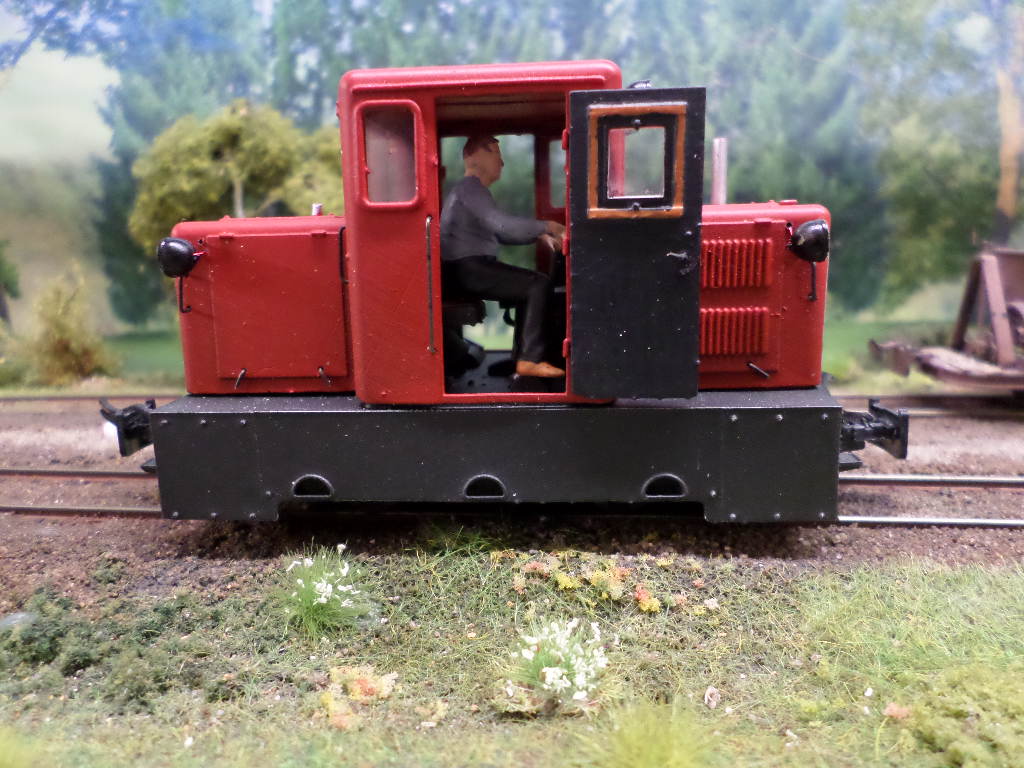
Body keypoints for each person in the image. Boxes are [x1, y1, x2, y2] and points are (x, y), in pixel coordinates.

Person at [440, 135, 567, 378]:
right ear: (476, 156)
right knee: (538, 284)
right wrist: (548, 226)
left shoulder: (470, 191)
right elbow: (502, 225)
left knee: (527, 287)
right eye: (496, 154)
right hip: (468, 269)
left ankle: (521, 359)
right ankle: (530, 360)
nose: (502, 162)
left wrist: (538, 235)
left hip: (466, 267)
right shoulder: (471, 188)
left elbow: (500, 233)